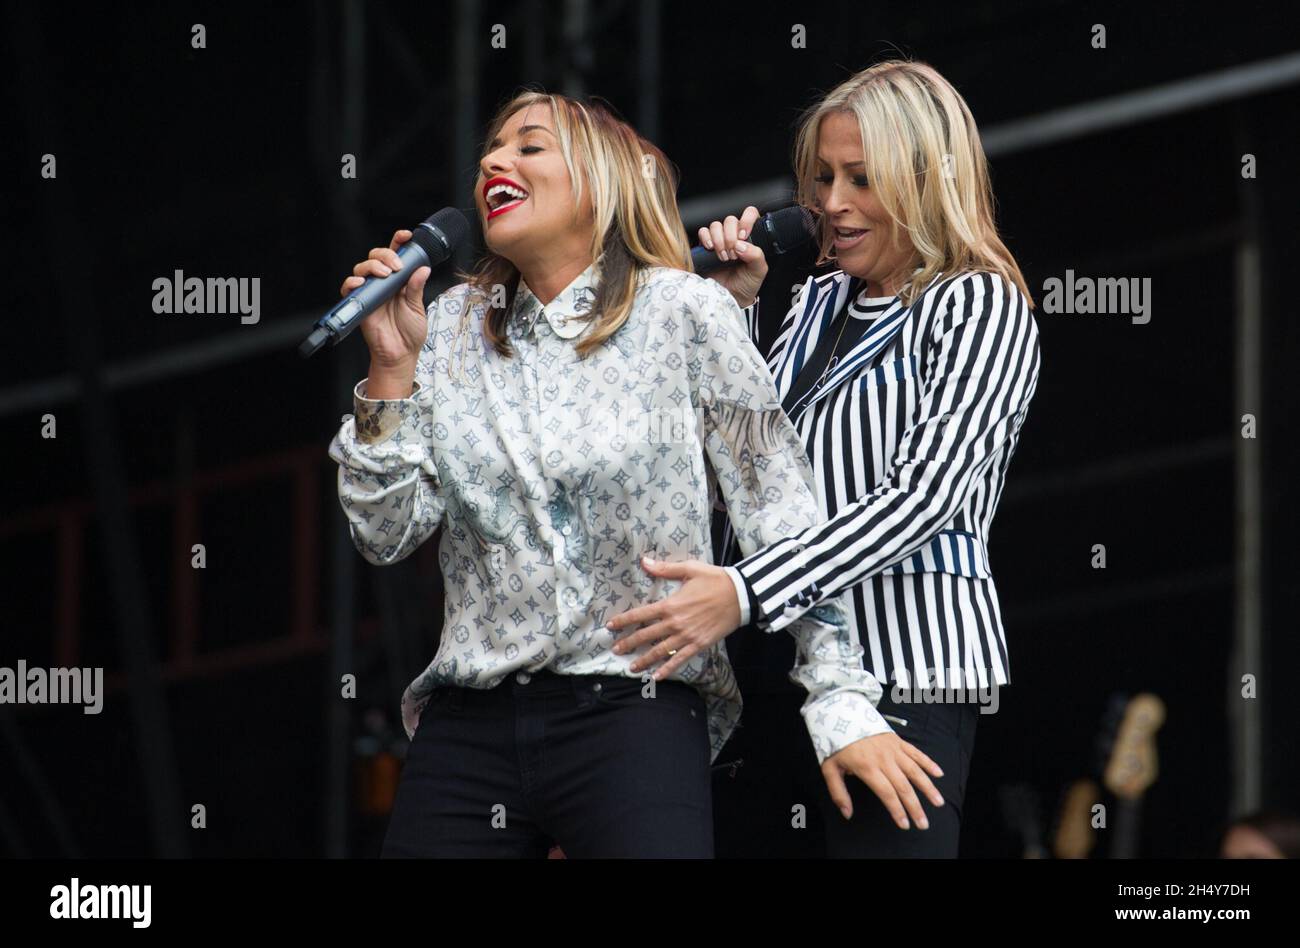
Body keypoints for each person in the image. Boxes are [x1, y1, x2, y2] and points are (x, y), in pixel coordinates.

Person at [327, 89, 942, 858]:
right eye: (491, 149)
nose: (494, 160)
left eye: (529, 146)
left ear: (601, 182)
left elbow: (778, 509)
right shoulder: (446, 328)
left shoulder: (685, 312)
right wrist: (391, 371)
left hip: (634, 708)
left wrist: (840, 696)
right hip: (470, 721)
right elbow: (385, 536)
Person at [606, 59, 1042, 857]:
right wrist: (735, 312)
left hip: (900, 669)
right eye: (824, 178)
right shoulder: (817, 299)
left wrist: (744, 591)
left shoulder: (978, 303)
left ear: (928, 181)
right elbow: (747, 464)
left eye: (863, 180)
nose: (832, 204)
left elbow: (925, 496)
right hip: (775, 668)